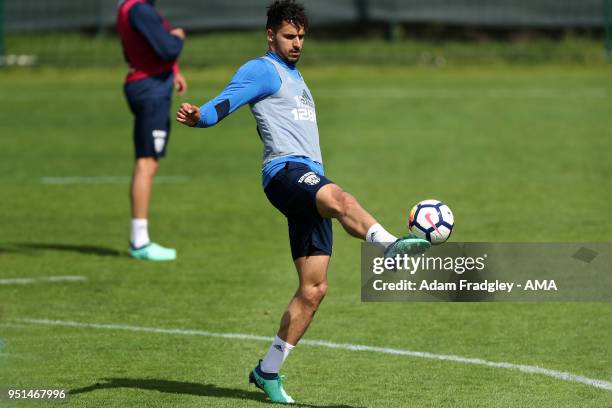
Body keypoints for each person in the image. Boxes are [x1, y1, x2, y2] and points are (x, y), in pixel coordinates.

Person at [176, 0, 430, 403]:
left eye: (301, 37)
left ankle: (268, 371)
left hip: (304, 179)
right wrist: (200, 116)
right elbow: (226, 101)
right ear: (271, 35)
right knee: (340, 197)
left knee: (313, 290)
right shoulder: (262, 69)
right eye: (289, 36)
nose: (297, 44)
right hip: (284, 173)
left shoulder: (296, 77)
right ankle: (390, 246)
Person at [117, 0, 187, 261]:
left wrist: (175, 71)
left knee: (149, 162)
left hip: (148, 85)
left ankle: (140, 238)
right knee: (146, 162)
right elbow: (167, 48)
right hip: (150, 91)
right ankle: (140, 241)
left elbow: (152, 48)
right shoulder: (139, 9)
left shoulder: (133, 8)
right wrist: (178, 37)